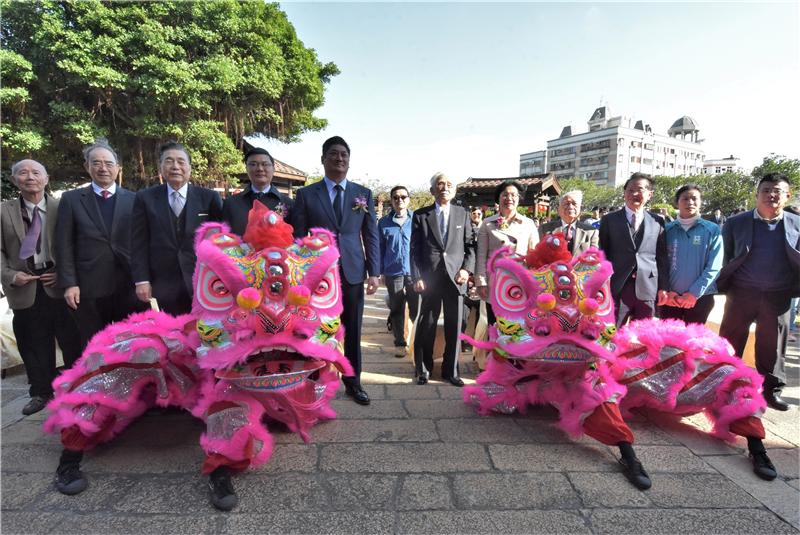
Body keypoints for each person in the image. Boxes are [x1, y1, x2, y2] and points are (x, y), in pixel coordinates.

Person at [292, 136, 380, 405]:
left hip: (353, 270)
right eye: (333, 154)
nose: (339, 159)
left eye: (344, 154)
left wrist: (374, 271)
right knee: (317, 329)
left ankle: (353, 382)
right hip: (319, 274)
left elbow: (371, 234)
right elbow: (297, 236)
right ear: (323, 159)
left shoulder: (362, 193)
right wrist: (299, 273)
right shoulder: (306, 194)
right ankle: (317, 382)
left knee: (353, 329)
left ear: (349, 160)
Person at [0, 159, 81, 415]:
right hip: (25, 285)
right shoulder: (4, 212)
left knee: (72, 340)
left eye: (36, 172)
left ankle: (75, 389)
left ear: (47, 179)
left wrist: (64, 273)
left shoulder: (63, 208)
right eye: (23, 173)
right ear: (14, 180)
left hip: (59, 283)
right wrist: (11, 275)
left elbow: (78, 245)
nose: (30, 177)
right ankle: (41, 393)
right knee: (33, 343)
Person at [717, 173, 800, 411]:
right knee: (730, 342)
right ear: (757, 194)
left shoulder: (796, 224)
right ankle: (722, 386)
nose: (771, 195)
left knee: (772, 347)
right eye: (765, 190)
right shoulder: (736, 223)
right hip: (742, 292)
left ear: (787, 196)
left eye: (777, 191)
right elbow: (727, 255)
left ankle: (771, 392)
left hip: (778, 294)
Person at [56, 139, 144, 349]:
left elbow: (142, 241)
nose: (103, 168)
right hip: (89, 286)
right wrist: (69, 283)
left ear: (118, 168)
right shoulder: (72, 199)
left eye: (108, 163)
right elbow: (63, 243)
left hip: (128, 284)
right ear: (87, 167)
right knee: (95, 344)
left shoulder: (135, 199)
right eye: (96, 163)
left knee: (131, 341)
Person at [130, 142, 223, 315]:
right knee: (170, 334)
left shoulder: (209, 198)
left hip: (202, 281)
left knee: (204, 331)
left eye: (181, 161)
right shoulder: (145, 198)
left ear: (189, 167)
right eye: (169, 161)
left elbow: (222, 241)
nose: (175, 166)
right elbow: (138, 242)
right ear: (161, 167)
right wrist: (141, 280)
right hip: (162, 282)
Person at [410, 172, 474, 386]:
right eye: (440, 184)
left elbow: (470, 247)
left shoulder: (462, 214)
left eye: (449, 184)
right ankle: (423, 368)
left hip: (456, 279)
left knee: (455, 326)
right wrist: (417, 276)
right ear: (432, 190)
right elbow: (414, 250)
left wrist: (467, 270)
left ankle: (451, 371)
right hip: (430, 279)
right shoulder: (420, 215)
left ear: (454, 190)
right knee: (426, 325)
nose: (445, 187)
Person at [599, 173, 668, 327]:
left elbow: (662, 257)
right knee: (612, 333)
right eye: (630, 190)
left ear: (650, 194)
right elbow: (603, 254)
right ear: (624, 193)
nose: (634, 194)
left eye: (640, 190)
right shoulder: (609, 220)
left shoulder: (658, 221)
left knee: (643, 337)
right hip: (617, 287)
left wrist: (663, 287)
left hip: (647, 287)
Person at [475, 180, 538, 325]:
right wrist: (481, 282)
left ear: (519, 200)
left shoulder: (528, 224)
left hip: (521, 284)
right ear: (498, 199)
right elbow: (481, 255)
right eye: (505, 195)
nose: (509, 198)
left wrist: (535, 283)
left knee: (518, 329)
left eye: (513, 195)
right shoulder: (487, 223)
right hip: (495, 284)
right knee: (495, 327)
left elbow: (535, 255)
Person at [659, 184, 722, 325]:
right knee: (669, 342)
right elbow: (659, 263)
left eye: (694, 198)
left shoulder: (712, 230)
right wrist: (667, 291)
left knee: (693, 343)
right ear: (677, 202)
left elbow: (715, 266)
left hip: (700, 298)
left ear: (701, 202)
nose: (690, 202)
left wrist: (694, 293)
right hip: (670, 299)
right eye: (685, 199)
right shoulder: (667, 230)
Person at [378, 185, 418, 357]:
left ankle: (417, 342)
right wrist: (379, 272)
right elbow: (379, 248)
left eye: (403, 197)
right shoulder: (384, 223)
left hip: (414, 272)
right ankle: (400, 342)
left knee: (417, 307)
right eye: (395, 197)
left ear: (408, 199)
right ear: (392, 201)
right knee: (397, 308)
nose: (399, 200)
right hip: (392, 271)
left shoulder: (417, 220)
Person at [222, 147, 294, 236]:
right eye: (253, 164)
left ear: (273, 169)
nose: (260, 168)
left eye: (265, 164)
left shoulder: (288, 204)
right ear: (247, 169)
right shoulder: (231, 203)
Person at [539, 190, 599, 256]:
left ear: (580, 209)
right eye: (566, 204)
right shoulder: (544, 229)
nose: (570, 207)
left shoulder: (591, 231)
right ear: (558, 209)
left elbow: (594, 257)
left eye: (574, 204)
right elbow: (539, 255)